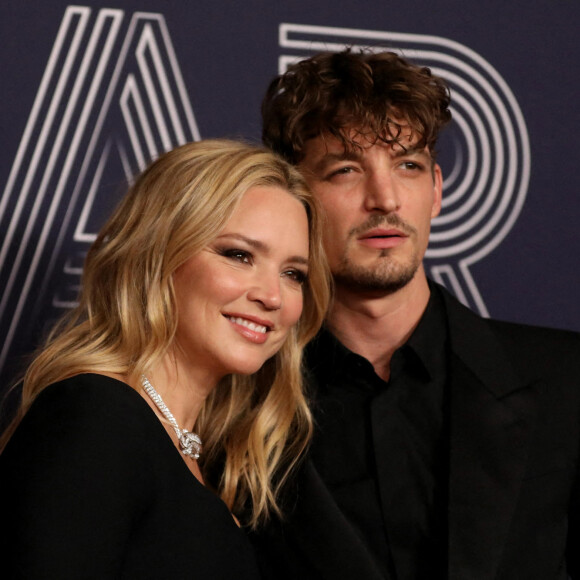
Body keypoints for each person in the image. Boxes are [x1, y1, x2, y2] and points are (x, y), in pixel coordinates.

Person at [252, 49, 580, 579]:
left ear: (437, 191)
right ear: (295, 198)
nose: (385, 199)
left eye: (408, 165)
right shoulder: (240, 403)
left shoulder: (566, 382)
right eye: (345, 170)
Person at [0, 139, 330, 579]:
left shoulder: (202, 456)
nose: (272, 296)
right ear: (158, 254)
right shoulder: (96, 416)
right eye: (239, 255)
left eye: (293, 274)